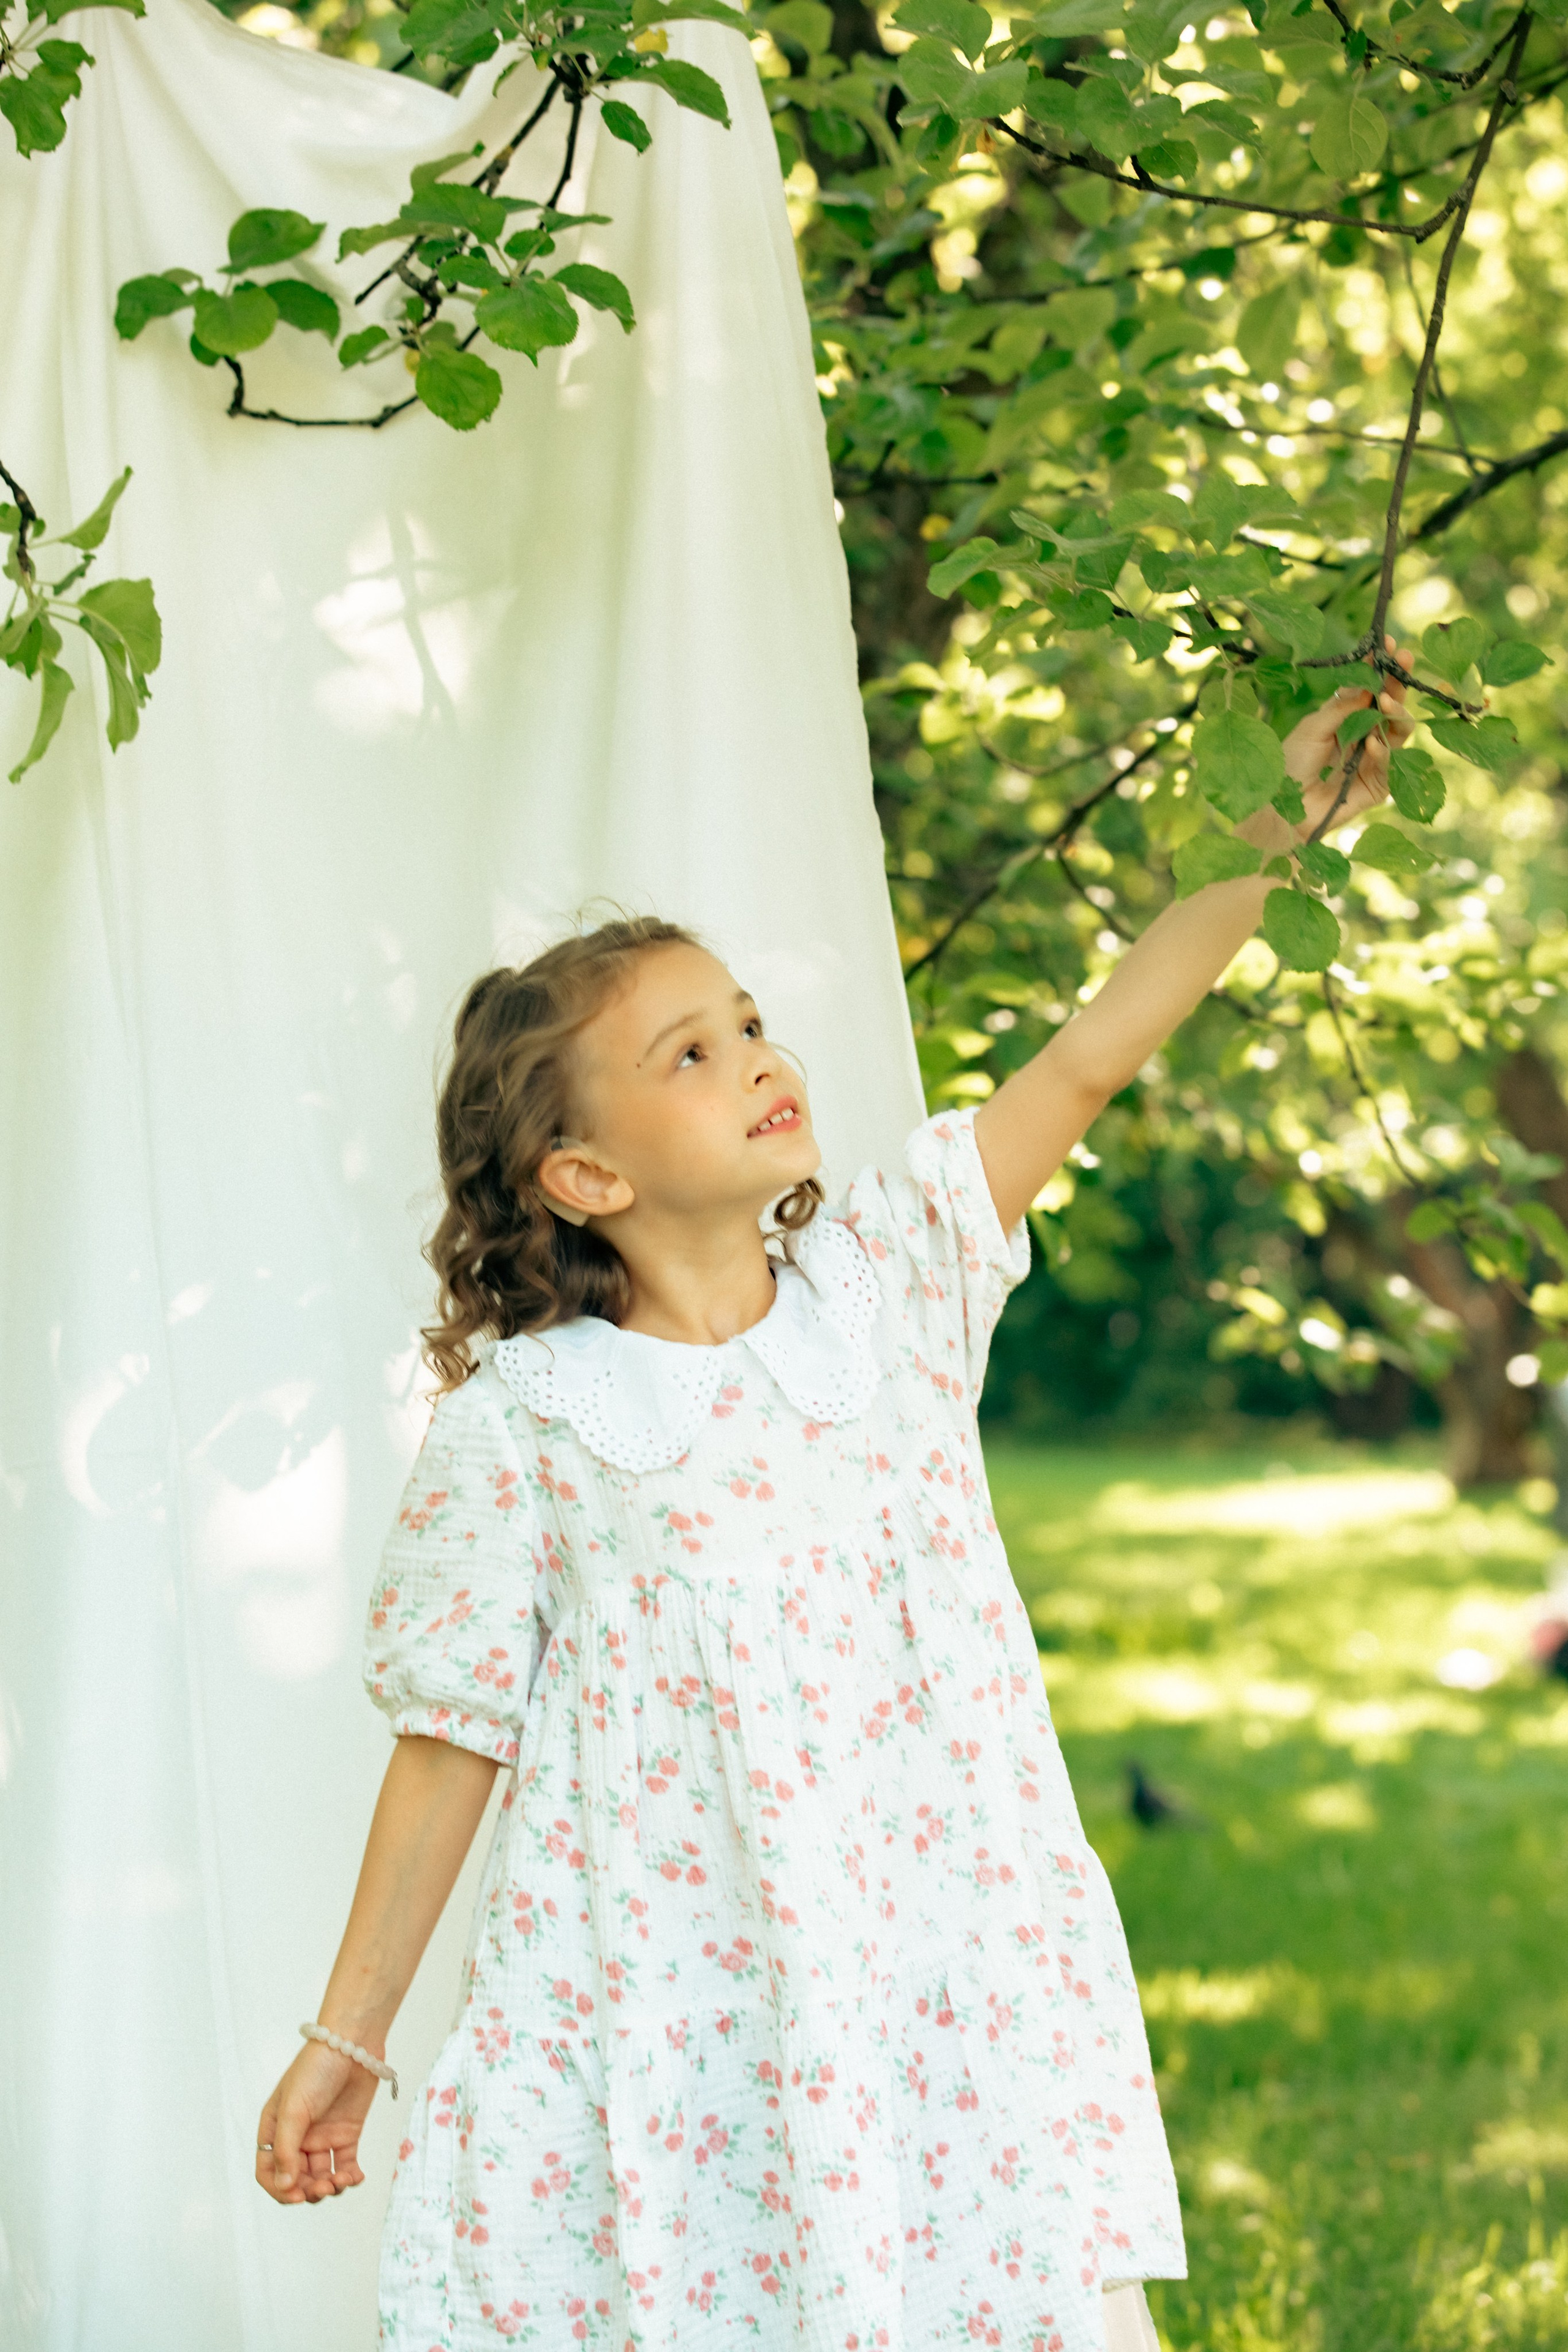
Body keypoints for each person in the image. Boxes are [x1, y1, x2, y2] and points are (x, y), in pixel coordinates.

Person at [255, 651, 1415, 2350]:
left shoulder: (894, 1287)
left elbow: (1088, 1061)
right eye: (692, 1052)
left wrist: (1266, 836)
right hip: (693, 1999)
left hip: (936, 1965)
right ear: (588, 1176)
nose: (756, 1056)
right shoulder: (531, 1431)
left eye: (750, 1023)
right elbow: (448, 1744)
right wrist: (349, 2037)